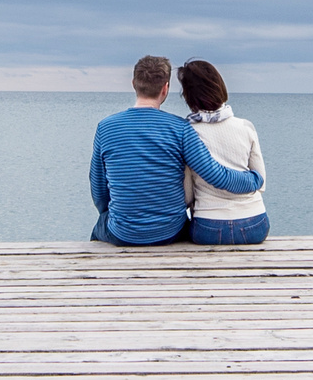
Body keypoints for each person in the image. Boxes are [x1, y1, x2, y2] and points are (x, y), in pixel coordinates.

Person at [90, 54, 264, 245]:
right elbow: (215, 174)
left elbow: (99, 188)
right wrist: (254, 179)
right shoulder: (181, 128)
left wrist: (113, 213)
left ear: (134, 84)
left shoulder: (105, 127)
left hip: (123, 233)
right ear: (165, 88)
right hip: (170, 232)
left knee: (99, 228)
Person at [177, 59, 267, 244]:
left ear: (188, 96)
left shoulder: (187, 133)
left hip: (208, 227)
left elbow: (187, 196)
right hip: (255, 224)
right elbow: (261, 183)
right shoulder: (246, 126)